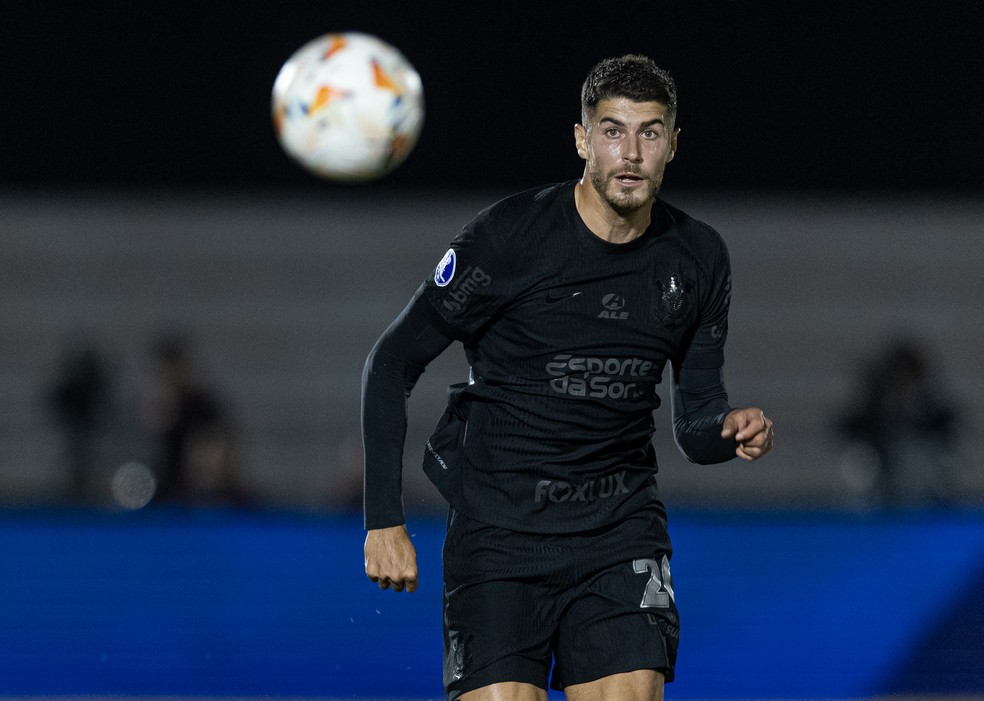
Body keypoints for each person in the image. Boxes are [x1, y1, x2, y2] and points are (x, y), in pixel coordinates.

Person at [361, 55, 774, 701]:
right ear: (582, 139)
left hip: (618, 530)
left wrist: (726, 429)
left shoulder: (698, 258)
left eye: (650, 131)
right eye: (612, 130)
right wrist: (383, 520)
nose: (631, 152)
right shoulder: (507, 239)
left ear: (673, 144)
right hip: (499, 534)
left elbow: (695, 423)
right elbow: (392, 362)